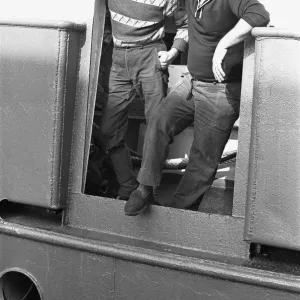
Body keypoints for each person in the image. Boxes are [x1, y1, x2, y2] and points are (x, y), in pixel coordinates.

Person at [125, 0, 270, 216]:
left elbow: (259, 14)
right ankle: (145, 188)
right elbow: (178, 20)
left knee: (202, 157)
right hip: (192, 81)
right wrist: (173, 52)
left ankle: (180, 213)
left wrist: (225, 43)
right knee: (159, 121)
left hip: (221, 90)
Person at [97, 0, 188, 200]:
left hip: (150, 55)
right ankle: (128, 185)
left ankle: (147, 191)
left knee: (156, 128)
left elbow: (186, 25)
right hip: (118, 58)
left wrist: (173, 53)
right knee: (108, 130)